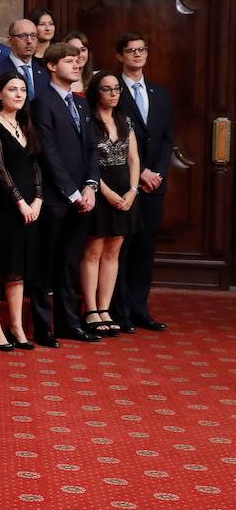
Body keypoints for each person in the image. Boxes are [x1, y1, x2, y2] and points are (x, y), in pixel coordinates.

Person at [32, 42, 101, 347]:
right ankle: (43, 326)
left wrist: (90, 185)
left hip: (82, 198)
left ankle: (69, 323)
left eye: (78, 62)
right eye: (70, 61)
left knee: (70, 263)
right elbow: (48, 151)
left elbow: (91, 149)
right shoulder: (42, 102)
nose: (77, 66)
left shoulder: (83, 104)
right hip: (54, 197)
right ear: (51, 65)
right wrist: (72, 192)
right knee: (44, 265)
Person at [0, 73, 42, 351]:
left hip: (27, 208)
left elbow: (36, 163)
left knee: (17, 272)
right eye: (12, 89)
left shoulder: (26, 124)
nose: (18, 94)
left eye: (22, 90)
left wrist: (37, 199)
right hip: (0, 207)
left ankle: (16, 325)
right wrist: (20, 201)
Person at [115, 32, 172, 332]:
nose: (137, 55)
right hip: (127, 183)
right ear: (120, 56)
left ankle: (140, 309)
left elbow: (166, 139)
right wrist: (141, 173)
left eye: (141, 50)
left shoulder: (160, 93)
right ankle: (120, 311)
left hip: (153, 185)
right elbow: (115, 137)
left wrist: (157, 171)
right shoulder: (113, 91)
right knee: (123, 249)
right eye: (131, 51)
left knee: (145, 250)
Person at [80, 71, 141, 336]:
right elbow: (85, 163)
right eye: (107, 89)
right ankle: (90, 309)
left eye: (117, 89)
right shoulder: (88, 121)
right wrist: (105, 192)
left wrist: (133, 190)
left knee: (114, 250)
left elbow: (134, 159)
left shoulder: (125, 120)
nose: (114, 93)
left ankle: (105, 307)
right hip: (99, 188)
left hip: (125, 190)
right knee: (94, 250)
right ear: (96, 92)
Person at [0, 18, 49, 101]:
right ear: (10, 40)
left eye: (33, 36)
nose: (29, 41)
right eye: (23, 36)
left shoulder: (44, 71)